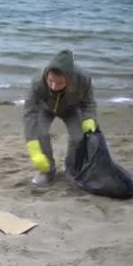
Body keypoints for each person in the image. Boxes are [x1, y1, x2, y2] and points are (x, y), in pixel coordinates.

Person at [23, 49, 98, 186]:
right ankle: (47, 171)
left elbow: (89, 103)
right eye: (50, 81)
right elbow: (30, 113)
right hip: (45, 108)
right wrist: (33, 147)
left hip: (71, 108)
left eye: (59, 83)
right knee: (40, 134)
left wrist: (89, 119)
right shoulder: (37, 81)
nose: (53, 86)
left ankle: (70, 168)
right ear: (46, 75)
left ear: (69, 79)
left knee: (78, 137)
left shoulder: (83, 79)